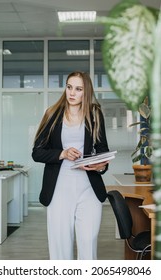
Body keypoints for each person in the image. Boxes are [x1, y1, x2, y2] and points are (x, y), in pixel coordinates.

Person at [32, 71, 109, 260]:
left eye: (78, 89)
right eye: (69, 87)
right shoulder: (52, 114)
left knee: (88, 244)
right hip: (59, 189)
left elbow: (103, 150)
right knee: (60, 247)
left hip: (88, 188)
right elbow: (37, 152)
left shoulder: (94, 114)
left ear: (86, 92)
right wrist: (62, 153)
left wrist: (99, 166)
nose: (72, 93)